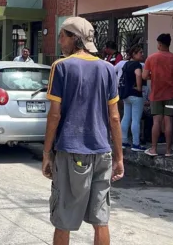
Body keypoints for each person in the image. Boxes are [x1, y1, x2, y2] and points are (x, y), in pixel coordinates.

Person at [42, 16, 124, 245]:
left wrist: (46, 153)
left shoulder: (61, 67)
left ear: (74, 39)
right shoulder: (108, 69)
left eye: (62, 36)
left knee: (64, 219)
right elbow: (114, 117)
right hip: (102, 153)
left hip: (71, 152)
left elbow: (54, 115)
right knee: (101, 220)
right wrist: (119, 157)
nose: (59, 41)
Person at [142, 34, 173, 157]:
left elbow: (144, 76)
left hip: (156, 93)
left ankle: (154, 149)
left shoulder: (151, 58)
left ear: (159, 44)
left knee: (156, 121)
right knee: (169, 121)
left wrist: (154, 76)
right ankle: (168, 150)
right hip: (171, 93)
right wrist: (172, 76)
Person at [119, 45, 146, 152]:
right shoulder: (137, 64)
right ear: (134, 54)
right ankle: (136, 144)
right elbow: (138, 75)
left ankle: (124, 141)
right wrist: (139, 88)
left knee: (126, 117)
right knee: (136, 120)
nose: (142, 54)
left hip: (126, 94)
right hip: (135, 95)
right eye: (140, 52)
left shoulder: (126, 64)